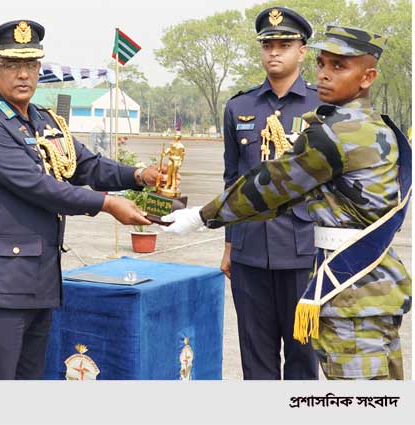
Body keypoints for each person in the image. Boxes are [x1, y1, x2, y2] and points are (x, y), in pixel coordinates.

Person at [163, 26, 411, 380]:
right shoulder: (378, 126)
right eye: (323, 64)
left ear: (367, 77)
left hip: (351, 292)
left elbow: (269, 187)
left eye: (339, 67)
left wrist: (200, 216)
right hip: (374, 285)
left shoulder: (336, 135)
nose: (324, 73)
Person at [0, 20, 164, 379]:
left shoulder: (44, 122)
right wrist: (108, 204)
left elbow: (86, 164)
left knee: (29, 380)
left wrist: (137, 176)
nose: (23, 75)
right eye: (11, 66)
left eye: (31, 66)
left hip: (38, 279)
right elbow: (40, 187)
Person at [219, 7, 320, 380]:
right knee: (255, 360)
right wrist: (229, 245)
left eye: (284, 44)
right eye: (268, 45)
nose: (274, 52)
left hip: (303, 252)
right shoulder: (239, 106)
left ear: (302, 51)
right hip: (249, 252)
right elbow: (232, 179)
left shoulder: (321, 106)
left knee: (303, 359)